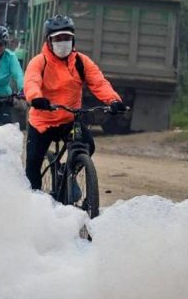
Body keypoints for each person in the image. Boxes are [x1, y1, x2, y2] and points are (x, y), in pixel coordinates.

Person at [23, 15, 126, 190]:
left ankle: (68, 171)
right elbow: (31, 81)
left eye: (67, 38)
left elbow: (98, 82)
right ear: (48, 40)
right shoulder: (39, 61)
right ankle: (35, 205)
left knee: (88, 146)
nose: (63, 42)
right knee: (32, 166)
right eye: (58, 39)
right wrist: (36, 98)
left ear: (73, 39)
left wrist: (114, 100)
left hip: (69, 120)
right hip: (43, 122)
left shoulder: (81, 62)